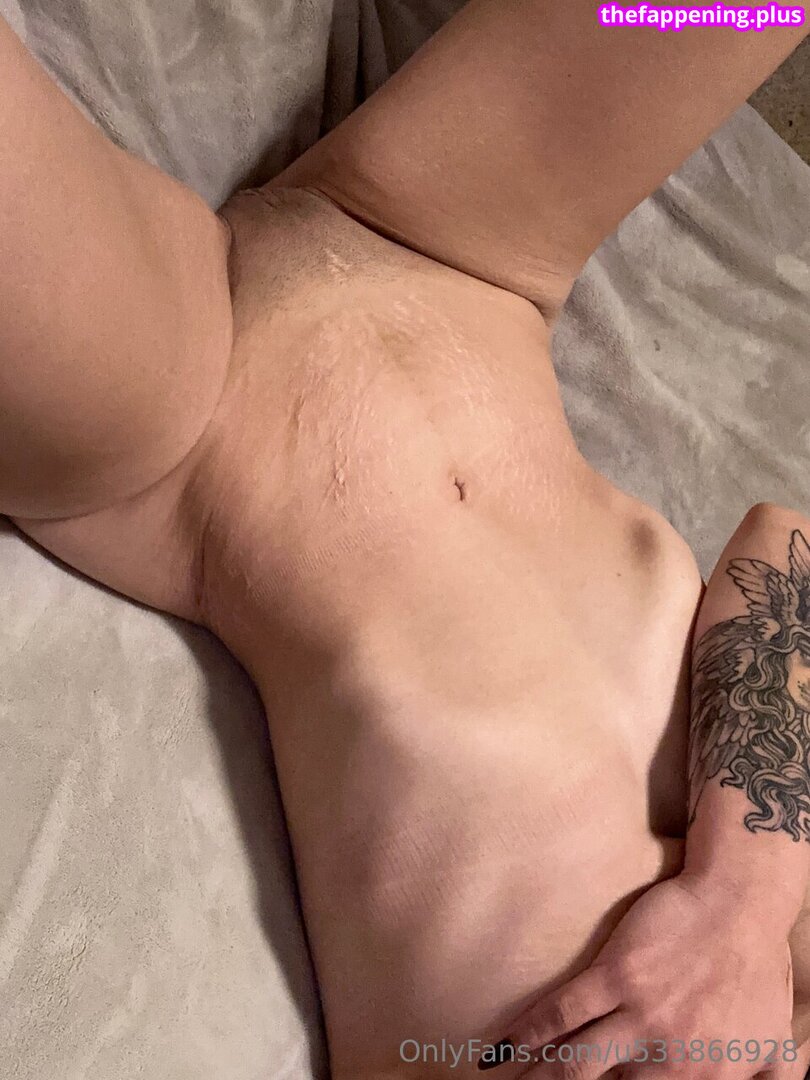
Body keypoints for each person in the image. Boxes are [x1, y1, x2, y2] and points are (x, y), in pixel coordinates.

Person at [1, 2, 809, 1077]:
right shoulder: (776, 968)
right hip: (466, 262)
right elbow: (784, 551)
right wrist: (743, 902)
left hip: (185, 433)